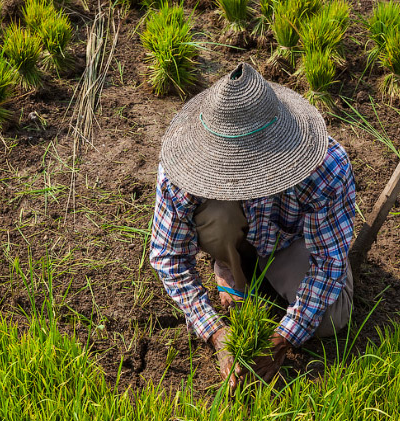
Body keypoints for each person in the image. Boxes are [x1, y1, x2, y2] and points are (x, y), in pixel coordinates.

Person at [150, 63, 357, 392]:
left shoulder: (326, 167)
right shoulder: (181, 169)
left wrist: (284, 337)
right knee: (221, 217)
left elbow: (328, 261)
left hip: (289, 244)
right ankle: (231, 264)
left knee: (333, 318)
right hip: (228, 233)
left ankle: (253, 276)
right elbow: (169, 255)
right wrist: (215, 333)